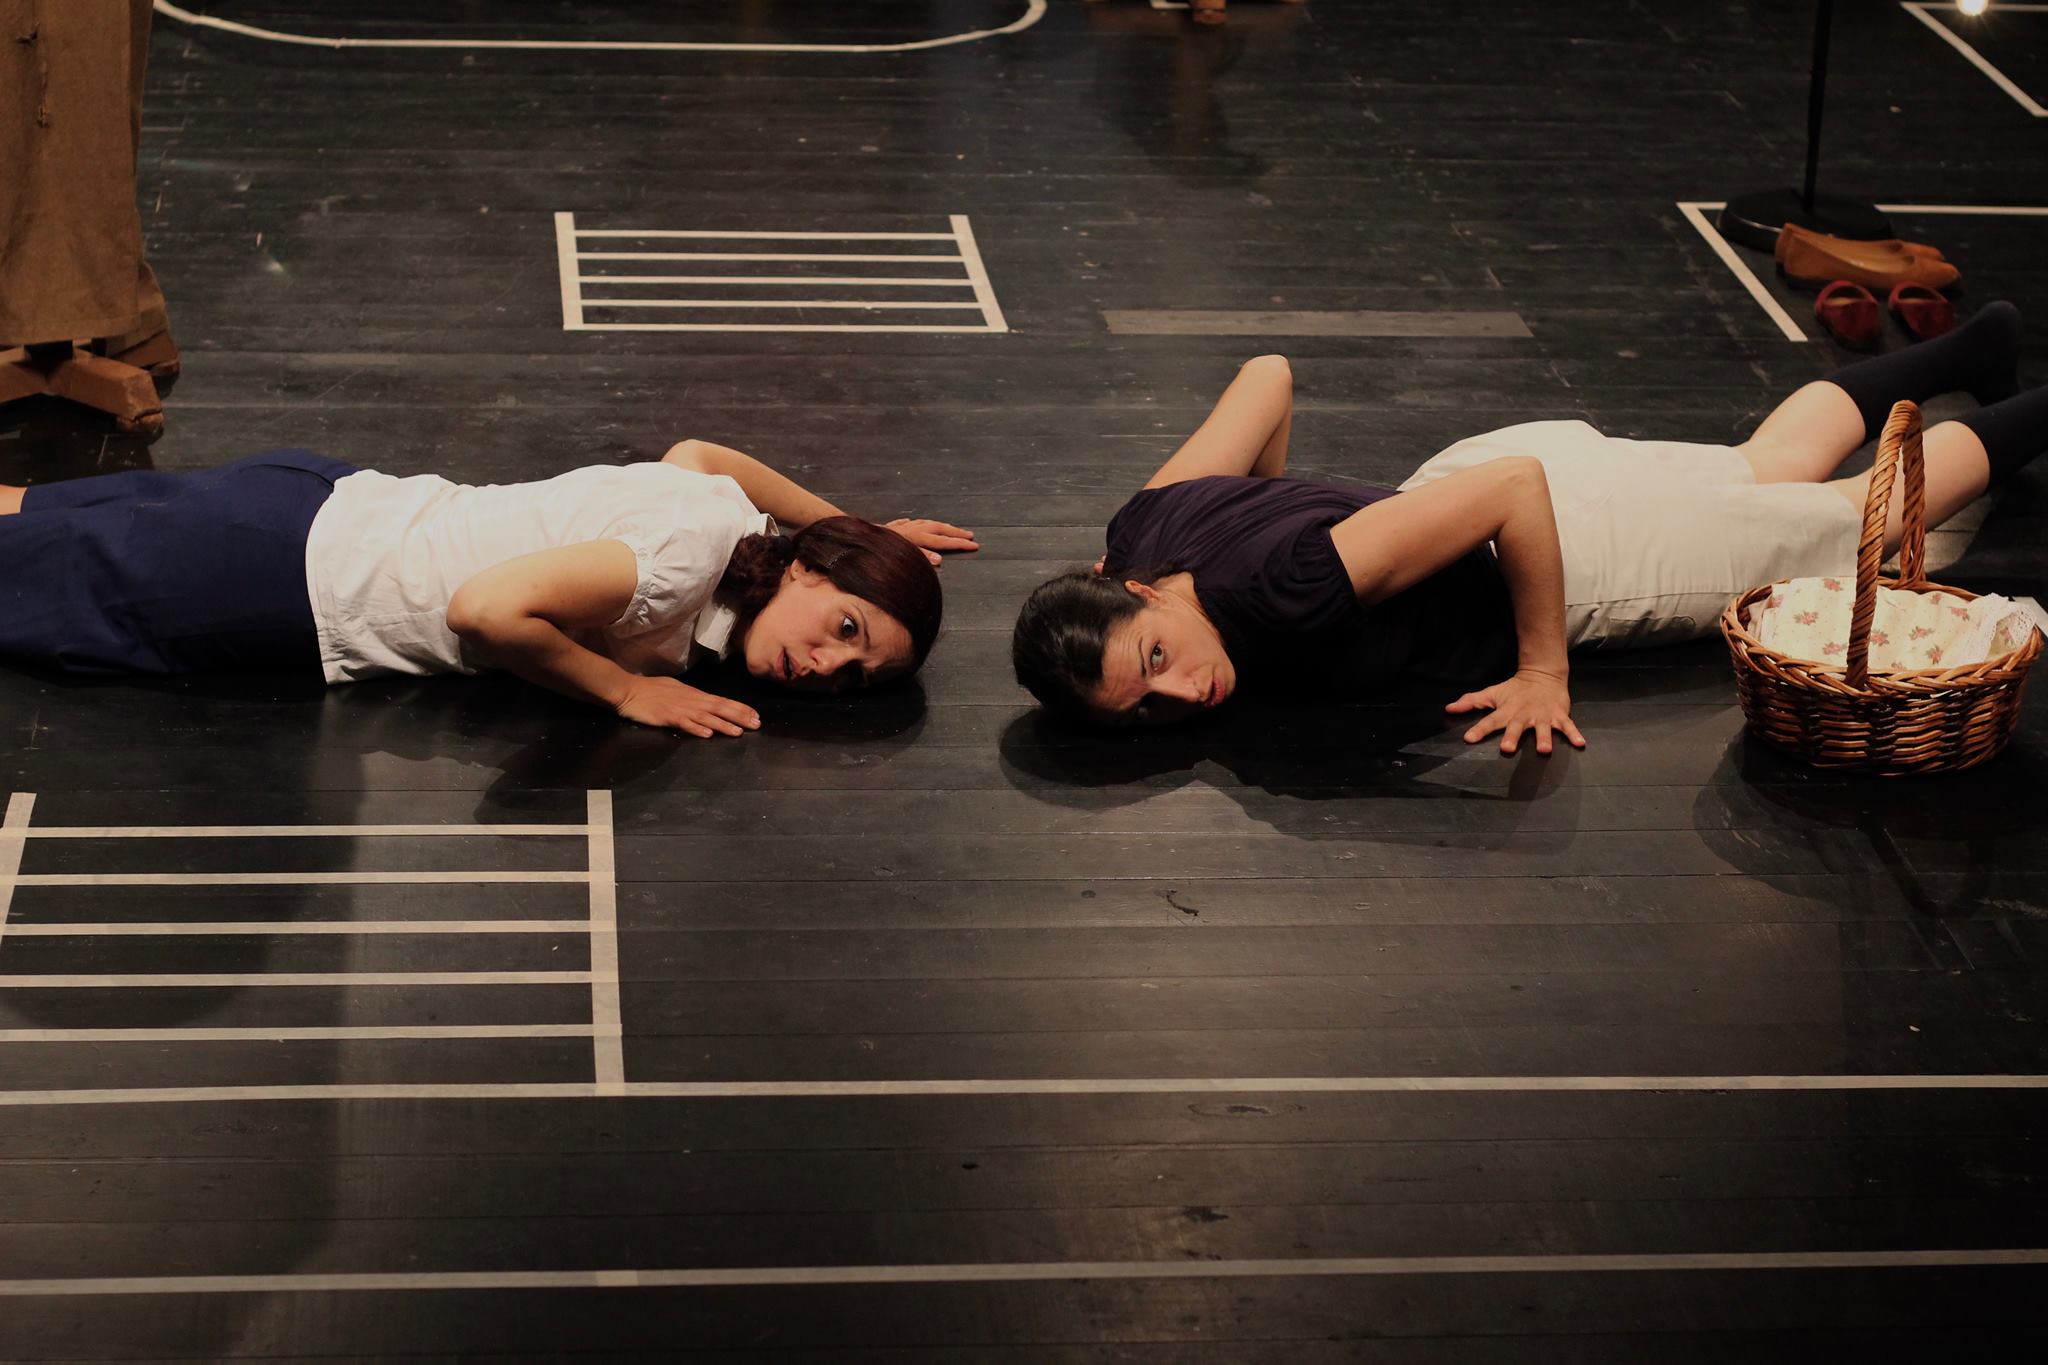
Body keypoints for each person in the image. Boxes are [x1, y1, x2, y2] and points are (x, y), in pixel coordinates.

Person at [1013, 303, 2045, 754]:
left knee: (1842, 524)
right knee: (1761, 466)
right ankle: (1976, 349)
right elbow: (1266, 376)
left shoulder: (1287, 593)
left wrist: (1543, 669)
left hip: (1563, 549)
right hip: (1463, 480)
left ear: (1134, 594)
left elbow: (1513, 492)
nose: (1182, 693)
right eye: (1143, 711)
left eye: (1155, 660)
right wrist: (1281, 511)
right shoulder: (1139, 529)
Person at [0, 440, 977, 738]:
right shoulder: (678, 570)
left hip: (306, 504)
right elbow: (483, 611)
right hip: (281, 579)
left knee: (25, 514)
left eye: (852, 672)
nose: (826, 664)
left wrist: (852, 530)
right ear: (807, 568)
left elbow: (702, 453)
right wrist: (627, 692)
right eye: (846, 625)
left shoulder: (726, 526)